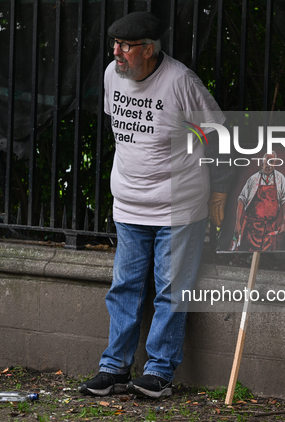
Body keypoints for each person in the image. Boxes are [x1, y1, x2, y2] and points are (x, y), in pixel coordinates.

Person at [78, 11, 230, 399]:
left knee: (171, 289)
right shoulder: (115, 75)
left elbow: (216, 134)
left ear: (148, 49)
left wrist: (221, 189)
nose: (117, 53)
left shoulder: (180, 82)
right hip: (129, 204)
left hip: (178, 206)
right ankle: (113, 368)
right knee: (125, 287)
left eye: (125, 46)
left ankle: (159, 372)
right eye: (114, 44)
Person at [232, 152, 285, 252]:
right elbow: (241, 200)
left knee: (268, 256)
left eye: (271, 162)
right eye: (266, 162)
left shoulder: (280, 179)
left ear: (275, 163)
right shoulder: (253, 179)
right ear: (261, 163)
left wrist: (284, 223)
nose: (268, 165)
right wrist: (237, 222)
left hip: (270, 229)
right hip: (251, 229)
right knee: (247, 254)